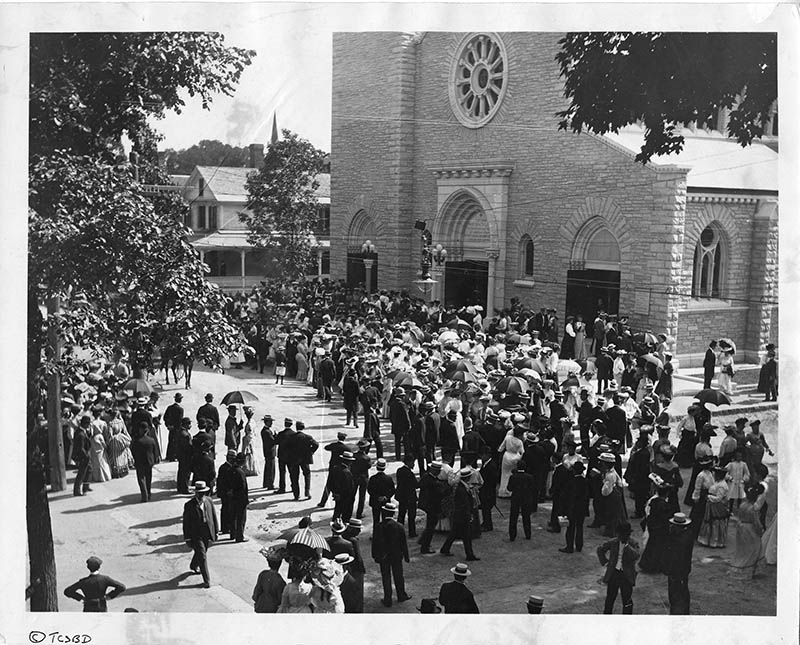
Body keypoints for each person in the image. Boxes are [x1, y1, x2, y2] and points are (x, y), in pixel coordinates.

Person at [371, 501, 411, 607]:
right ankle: (401, 595)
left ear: (383, 513)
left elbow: (375, 543)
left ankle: (387, 599)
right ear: (393, 514)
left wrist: (375, 555)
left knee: (386, 577)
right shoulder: (399, 526)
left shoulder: (379, 526)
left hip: (384, 556)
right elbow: (404, 543)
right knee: (398, 576)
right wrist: (406, 556)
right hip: (397, 556)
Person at [597, 521, 640, 614]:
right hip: (614, 573)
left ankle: (627, 618)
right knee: (610, 597)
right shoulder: (613, 542)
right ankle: (607, 615)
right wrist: (605, 562)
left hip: (626, 575)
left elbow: (636, 555)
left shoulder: (633, 543)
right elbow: (600, 549)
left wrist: (627, 546)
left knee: (627, 599)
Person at [182, 480, 219, 588]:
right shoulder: (189, 505)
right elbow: (186, 523)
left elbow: (213, 516)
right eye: (200, 493)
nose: (202, 495)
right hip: (196, 534)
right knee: (202, 556)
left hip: (207, 532)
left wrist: (216, 531)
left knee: (202, 551)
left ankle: (193, 565)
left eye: (204, 493)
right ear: (196, 493)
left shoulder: (209, 501)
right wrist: (187, 538)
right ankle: (207, 580)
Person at [439, 466, 480, 561]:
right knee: (466, 535)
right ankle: (469, 554)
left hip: (459, 515)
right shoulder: (462, 489)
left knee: (454, 533)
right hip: (462, 515)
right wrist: (468, 514)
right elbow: (464, 504)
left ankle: (445, 548)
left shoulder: (461, 487)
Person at [661, 512, 695, 614]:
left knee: (677, 594)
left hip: (677, 571)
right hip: (683, 570)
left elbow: (675, 556)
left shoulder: (679, 539)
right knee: (682, 592)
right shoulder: (687, 534)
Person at [729, 486, 765, 580]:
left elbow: (739, 516)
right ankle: (747, 569)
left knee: (742, 549)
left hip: (741, 527)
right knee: (752, 549)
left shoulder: (742, 504)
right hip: (750, 529)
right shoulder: (753, 508)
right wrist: (760, 530)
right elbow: (756, 522)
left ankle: (737, 565)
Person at [418, 461, 448, 554]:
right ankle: (425, 547)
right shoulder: (435, 483)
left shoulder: (425, 477)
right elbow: (440, 495)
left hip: (425, 505)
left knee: (429, 526)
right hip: (433, 507)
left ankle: (423, 541)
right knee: (431, 527)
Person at [561, 461, 590, 553]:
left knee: (571, 528)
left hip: (572, 508)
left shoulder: (571, 482)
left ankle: (569, 546)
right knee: (580, 527)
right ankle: (579, 545)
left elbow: (567, 497)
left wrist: (565, 510)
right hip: (582, 508)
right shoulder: (585, 481)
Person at [697, 467, 730, 548]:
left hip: (717, 506)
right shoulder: (717, 482)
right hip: (712, 505)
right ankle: (707, 540)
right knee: (710, 521)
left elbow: (719, 498)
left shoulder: (722, 485)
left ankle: (715, 541)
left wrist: (709, 497)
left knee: (716, 522)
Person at [507, 463, 536, 541]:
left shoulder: (513, 477)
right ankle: (528, 534)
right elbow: (533, 488)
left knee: (513, 517)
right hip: (526, 498)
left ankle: (512, 536)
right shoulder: (530, 477)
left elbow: (509, 488)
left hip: (516, 498)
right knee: (526, 517)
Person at [252, 547, 286, 613]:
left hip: (261, 606)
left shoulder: (263, 574)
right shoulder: (280, 581)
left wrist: (256, 600)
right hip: (272, 609)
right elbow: (280, 599)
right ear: (280, 564)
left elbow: (257, 591)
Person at [130, 421, 157, 503]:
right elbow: (155, 452)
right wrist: (154, 460)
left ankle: (144, 495)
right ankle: (148, 493)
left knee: (141, 479)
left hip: (140, 462)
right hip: (149, 462)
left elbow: (133, 452)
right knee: (148, 478)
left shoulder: (137, 441)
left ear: (140, 430)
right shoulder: (151, 440)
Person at [497, 424, 525, 498]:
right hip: (515, 457)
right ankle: (509, 491)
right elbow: (522, 452)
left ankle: (502, 491)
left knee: (504, 474)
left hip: (506, 456)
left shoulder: (507, 438)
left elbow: (500, 448)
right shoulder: (519, 442)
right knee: (511, 474)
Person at [396, 453, 419, 538]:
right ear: (409, 462)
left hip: (402, 496)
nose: (413, 464)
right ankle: (412, 532)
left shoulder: (399, 470)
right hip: (410, 497)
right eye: (413, 462)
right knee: (411, 516)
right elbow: (416, 485)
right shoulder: (409, 474)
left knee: (401, 515)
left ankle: (399, 532)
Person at [329, 450, 357, 522]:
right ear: (349, 462)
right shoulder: (347, 472)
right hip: (345, 497)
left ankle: (335, 524)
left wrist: (335, 493)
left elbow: (330, 482)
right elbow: (349, 487)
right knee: (345, 515)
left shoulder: (335, 468)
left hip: (337, 494)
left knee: (337, 511)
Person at [367, 458, 396, 527]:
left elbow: (369, 490)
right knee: (385, 519)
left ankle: (375, 535)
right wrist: (386, 497)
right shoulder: (388, 478)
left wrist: (377, 497)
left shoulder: (373, 478)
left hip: (375, 501)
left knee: (376, 520)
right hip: (385, 502)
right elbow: (392, 490)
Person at [216, 450, 237, 537]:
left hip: (226, 492)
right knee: (226, 509)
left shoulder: (224, 467)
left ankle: (226, 527)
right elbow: (222, 482)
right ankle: (225, 527)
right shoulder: (225, 468)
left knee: (227, 509)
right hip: (226, 493)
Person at [230, 453, 250, 542]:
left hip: (232, 497)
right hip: (240, 499)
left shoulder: (231, 469)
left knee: (233, 516)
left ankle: (233, 534)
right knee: (241, 519)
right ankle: (239, 536)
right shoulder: (241, 472)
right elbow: (243, 487)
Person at [72, 416, 93, 496]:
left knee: (89, 470)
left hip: (85, 454)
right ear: (84, 424)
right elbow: (81, 448)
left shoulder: (83, 431)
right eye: (88, 424)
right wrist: (86, 456)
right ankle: (77, 490)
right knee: (81, 473)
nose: (88, 426)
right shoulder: (80, 434)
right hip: (83, 456)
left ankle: (86, 486)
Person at [351, 439, 372, 519]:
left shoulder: (354, 456)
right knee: (362, 496)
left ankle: (349, 511)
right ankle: (359, 513)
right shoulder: (366, 458)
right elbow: (368, 466)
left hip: (355, 477)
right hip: (363, 478)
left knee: (352, 495)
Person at [275, 417, 294, 494]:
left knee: (282, 473)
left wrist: (275, 435)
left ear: (284, 424)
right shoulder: (294, 434)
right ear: (291, 424)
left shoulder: (281, 434)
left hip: (282, 456)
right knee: (292, 472)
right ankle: (294, 487)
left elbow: (276, 442)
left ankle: (282, 488)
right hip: (291, 456)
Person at [163, 393, 184, 461]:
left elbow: (165, 417)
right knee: (177, 442)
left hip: (171, 428)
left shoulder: (170, 407)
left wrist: (168, 425)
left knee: (170, 441)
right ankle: (175, 456)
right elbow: (179, 420)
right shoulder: (180, 409)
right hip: (177, 428)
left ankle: (169, 456)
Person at [174, 418, 193, 494]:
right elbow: (188, 447)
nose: (190, 425)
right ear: (185, 424)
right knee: (186, 473)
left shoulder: (180, 432)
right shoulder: (185, 435)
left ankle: (180, 487)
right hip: (186, 456)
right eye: (189, 424)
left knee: (181, 471)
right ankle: (185, 488)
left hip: (181, 456)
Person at [241, 407, 259, 476]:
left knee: (248, 453)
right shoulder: (252, 421)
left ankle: (249, 469)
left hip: (249, 439)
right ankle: (250, 468)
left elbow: (250, 432)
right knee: (251, 453)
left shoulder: (249, 423)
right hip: (251, 438)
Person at [260, 414, 277, 490]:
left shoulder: (265, 431)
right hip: (270, 452)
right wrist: (276, 436)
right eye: (270, 422)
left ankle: (266, 483)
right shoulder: (267, 432)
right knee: (271, 469)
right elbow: (273, 441)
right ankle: (270, 484)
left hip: (267, 451)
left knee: (268, 468)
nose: (271, 423)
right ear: (266, 422)